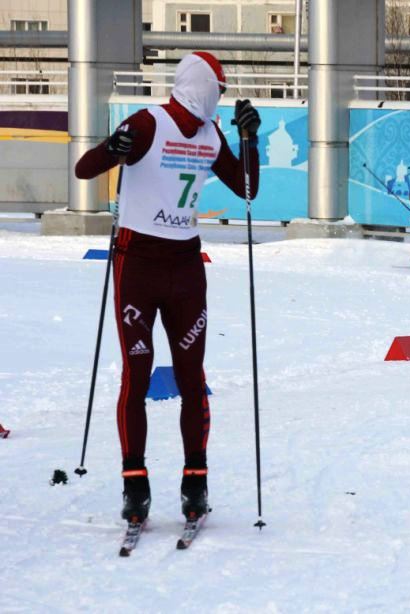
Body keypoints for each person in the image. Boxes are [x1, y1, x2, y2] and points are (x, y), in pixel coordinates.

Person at [74, 51, 261, 524]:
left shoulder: (211, 133)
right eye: (217, 87)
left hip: (184, 266)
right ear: (200, 85)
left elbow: (247, 189)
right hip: (137, 264)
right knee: (137, 376)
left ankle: (194, 482)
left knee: (191, 377)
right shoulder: (149, 122)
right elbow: (84, 169)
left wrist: (249, 140)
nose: (220, 96)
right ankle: (134, 485)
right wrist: (113, 150)